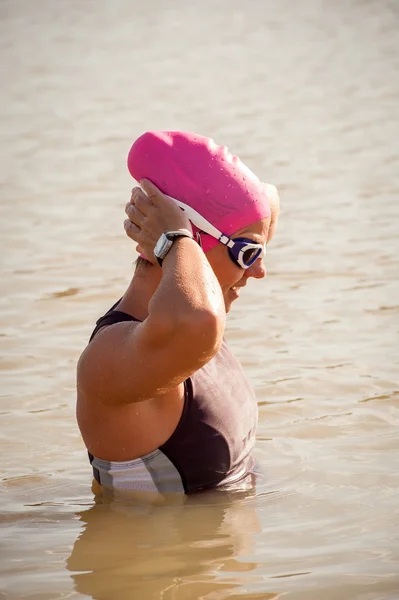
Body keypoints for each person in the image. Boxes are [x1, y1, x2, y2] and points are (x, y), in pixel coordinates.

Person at [76, 131, 280, 495]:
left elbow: (270, 197)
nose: (259, 271)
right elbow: (197, 317)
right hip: (155, 553)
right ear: (193, 244)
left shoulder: (199, 313)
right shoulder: (113, 357)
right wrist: (173, 239)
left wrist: (183, 238)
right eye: (248, 254)